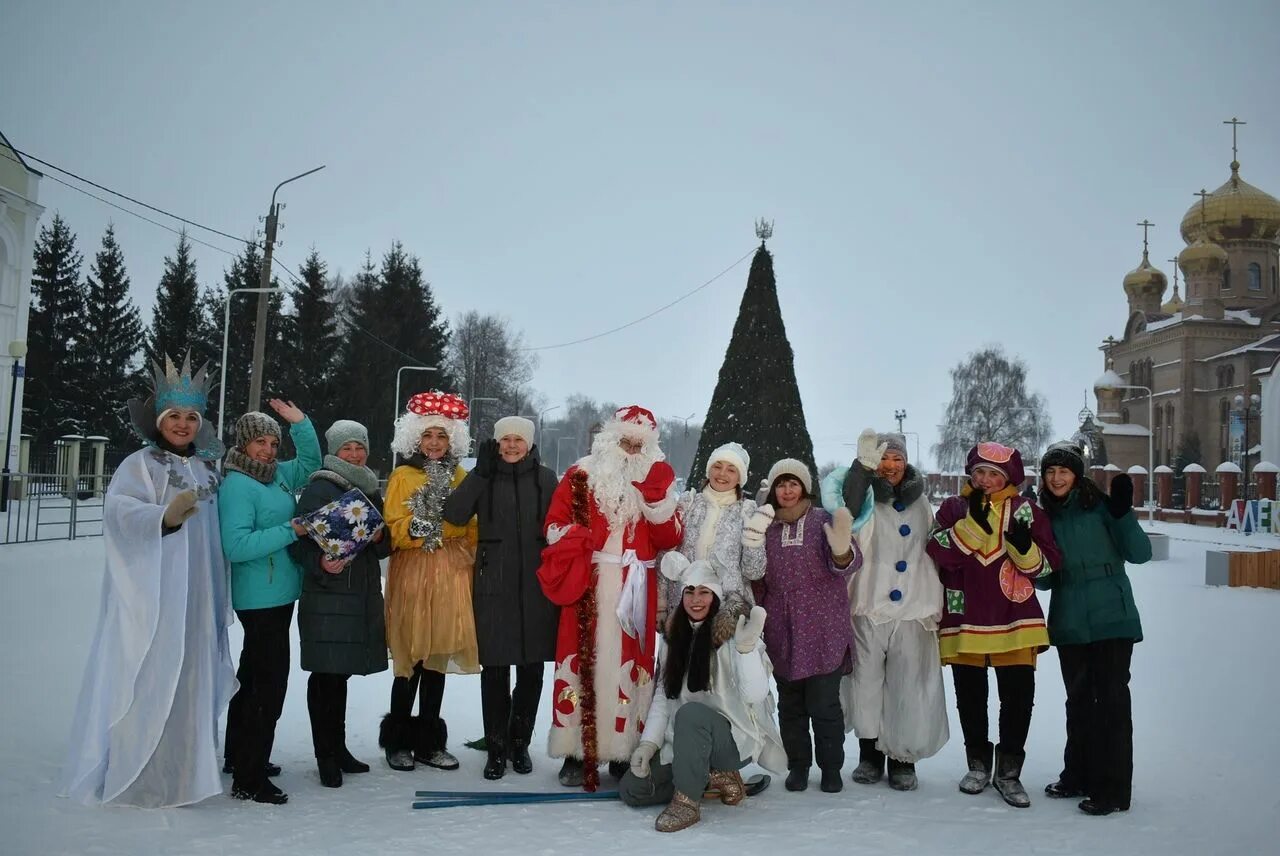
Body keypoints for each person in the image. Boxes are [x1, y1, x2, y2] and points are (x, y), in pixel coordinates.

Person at [61, 356, 236, 807]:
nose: (183, 424)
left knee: (191, 678)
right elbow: (118, 514)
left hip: (198, 597)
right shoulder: (140, 465)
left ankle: (186, 774)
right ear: (160, 420)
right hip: (155, 598)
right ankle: (143, 775)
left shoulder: (207, 471)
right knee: (151, 676)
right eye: (174, 416)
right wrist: (163, 517)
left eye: (191, 417)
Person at [537, 405, 682, 791]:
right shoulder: (580, 475)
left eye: (639, 444)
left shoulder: (660, 484)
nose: (632, 449)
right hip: (591, 580)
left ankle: (622, 750)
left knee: (630, 663)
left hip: (637, 585)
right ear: (609, 440)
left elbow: (670, 537)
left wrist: (656, 503)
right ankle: (574, 751)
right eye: (625, 441)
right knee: (583, 658)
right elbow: (553, 524)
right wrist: (575, 537)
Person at [925, 442, 1062, 808]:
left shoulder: (1027, 512)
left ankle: (1009, 772)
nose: (985, 480)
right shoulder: (954, 508)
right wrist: (970, 527)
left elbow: (1048, 567)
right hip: (964, 615)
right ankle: (978, 765)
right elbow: (936, 550)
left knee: (1018, 698)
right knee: (970, 698)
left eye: (994, 474)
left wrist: (1023, 548)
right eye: (980, 473)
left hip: (1015, 616)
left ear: (1008, 477)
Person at [820, 429, 948, 791]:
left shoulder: (922, 502)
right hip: (869, 602)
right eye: (885, 458)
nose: (891, 465)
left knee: (907, 685)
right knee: (867, 683)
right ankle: (870, 755)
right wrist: (861, 470)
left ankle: (903, 759)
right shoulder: (864, 497)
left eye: (898, 459)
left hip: (913, 607)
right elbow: (844, 509)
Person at [620, 553, 786, 832]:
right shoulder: (675, 638)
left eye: (704, 592)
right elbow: (665, 695)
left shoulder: (736, 634)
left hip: (730, 740)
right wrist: (648, 745)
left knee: (692, 713)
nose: (696, 599)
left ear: (717, 596)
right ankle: (712, 778)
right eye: (690, 592)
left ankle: (688, 802)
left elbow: (755, 695)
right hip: (685, 741)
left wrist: (746, 652)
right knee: (633, 789)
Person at [1036, 442, 1151, 816]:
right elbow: (1046, 581)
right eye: (1051, 471)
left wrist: (1122, 514)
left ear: (1077, 475)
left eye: (1064, 471)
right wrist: (1027, 551)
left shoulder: (1102, 506)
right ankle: (1078, 775)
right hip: (1070, 617)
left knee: (1112, 704)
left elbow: (1140, 553)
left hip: (1111, 616)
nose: (1057, 478)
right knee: (1079, 701)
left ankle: (1114, 790)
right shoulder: (1044, 517)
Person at [443, 415, 559, 779]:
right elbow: (455, 515)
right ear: (495, 443)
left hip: (537, 587)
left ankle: (519, 744)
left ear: (529, 444)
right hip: (493, 585)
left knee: (531, 671)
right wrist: (479, 473)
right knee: (494, 671)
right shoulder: (484, 476)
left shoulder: (545, 478)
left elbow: (562, 525)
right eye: (505, 440)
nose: (511, 446)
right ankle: (496, 747)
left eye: (518, 440)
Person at [219, 400, 322, 804]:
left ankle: (237, 755)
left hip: (279, 593)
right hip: (259, 598)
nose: (267, 449)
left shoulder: (276, 475)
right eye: (259, 442)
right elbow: (236, 545)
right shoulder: (238, 485)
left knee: (252, 679)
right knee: (268, 685)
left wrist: (301, 423)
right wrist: (291, 530)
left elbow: (310, 461)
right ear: (243, 444)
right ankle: (250, 777)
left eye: (272, 442)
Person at [380, 391, 479, 772]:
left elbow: (472, 525)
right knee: (410, 657)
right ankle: (397, 741)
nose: (435, 443)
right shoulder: (403, 476)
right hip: (413, 574)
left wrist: (461, 539)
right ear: (415, 439)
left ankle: (429, 742)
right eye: (428, 436)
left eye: (441, 435)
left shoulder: (460, 477)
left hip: (451, 575)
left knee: (437, 657)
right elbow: (393, 527)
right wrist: (422, 527)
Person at [288, 420, 390, 788]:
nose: (354, 454)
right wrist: (319, 562)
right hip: (328, 594)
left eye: (359, 447)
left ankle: (339, 748)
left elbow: (382, 546)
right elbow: (298, 540)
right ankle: (325, 755)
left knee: (340, 675)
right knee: (326, 676)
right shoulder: (320, 487)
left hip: (358, 594)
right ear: (334, 451)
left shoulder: (367, 487)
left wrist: (380, 537)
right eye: (347, 448)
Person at [754, 458, 860, 794]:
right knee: (791, 706)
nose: (787, 490)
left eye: (793, 483)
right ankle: (798, 766)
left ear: (804, 487)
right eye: (781, 484)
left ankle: (831, 768)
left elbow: (848, 564)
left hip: (823, 626)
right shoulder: (765, 525)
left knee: (824, 705)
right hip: (781, 627)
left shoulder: (822, 520)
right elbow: (757, 578)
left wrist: (843, 551)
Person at [658, 441, 771, 632]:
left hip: (728, 613)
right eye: (717, 466)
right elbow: (666, 556)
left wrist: (754, 539)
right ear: (708, 470)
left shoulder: (748, 511)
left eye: (731, 470)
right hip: (684, 607)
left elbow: (754, 572)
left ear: (740, 478)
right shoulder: (688, 504)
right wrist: (660, 604)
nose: (722, 474)